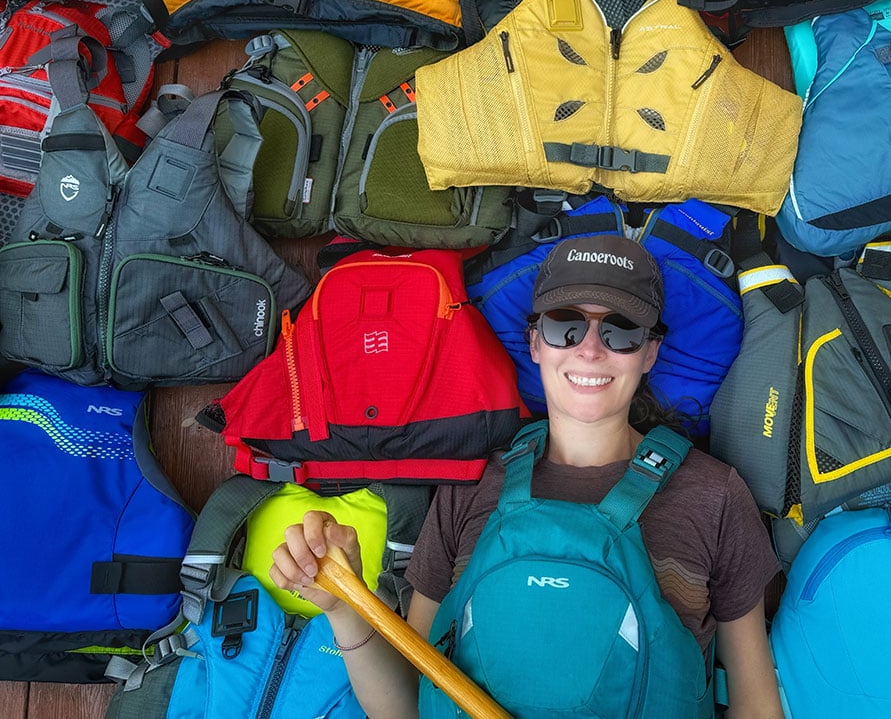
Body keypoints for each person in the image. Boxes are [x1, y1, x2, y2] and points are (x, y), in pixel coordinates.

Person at [270, 234, 784, 718]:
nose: (589, 350)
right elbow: (410, 703)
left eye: (620, 332)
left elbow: (755, 704)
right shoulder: (468, 488)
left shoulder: (714, 495)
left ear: (649, 352)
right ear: (535, 343)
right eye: (566, 326)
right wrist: (344, 607)